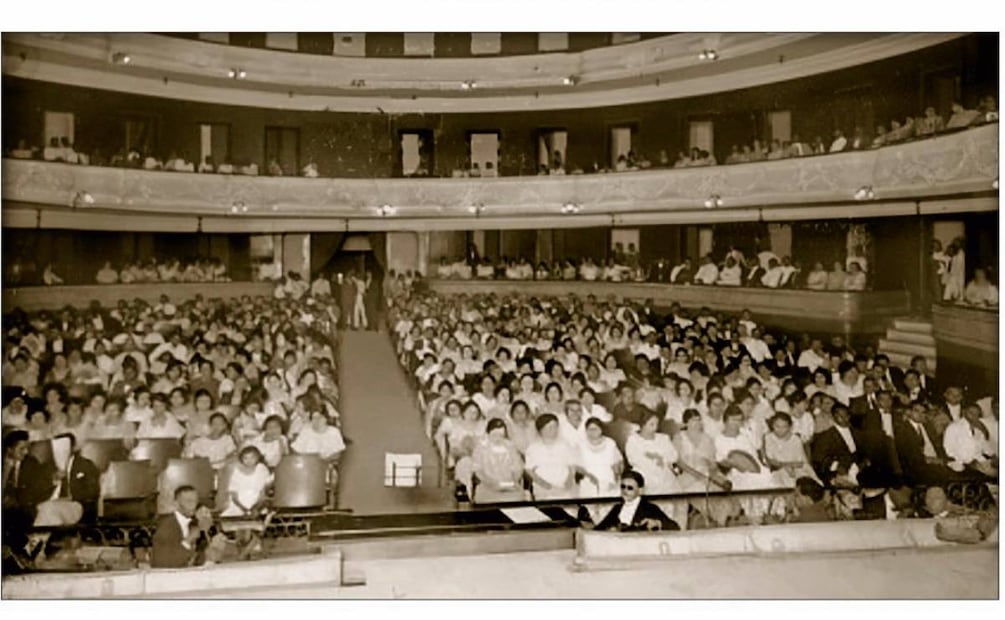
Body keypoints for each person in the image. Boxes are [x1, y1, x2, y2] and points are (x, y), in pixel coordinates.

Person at [151, 485, 217, 568]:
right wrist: (188, 540)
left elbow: (196, 558)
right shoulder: (166, 526)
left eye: (196, 501)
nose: (193, 506)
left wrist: (209, 535)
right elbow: (164, 563)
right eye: (189, 501)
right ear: (176, 504)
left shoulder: (193, 523)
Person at [592, 470, 679, 532]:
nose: (625, 491)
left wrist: (657, 523)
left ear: (640, 490)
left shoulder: (650, 508)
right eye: (623, 487)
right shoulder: (617, 508)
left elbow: (675, 527)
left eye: (630, 488)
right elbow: (599, 529)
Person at [523, 414, 579, 501]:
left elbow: (572, 466)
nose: (554, 430)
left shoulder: (565, 445)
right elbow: (529, 470)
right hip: (544, 489)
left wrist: (568, 482)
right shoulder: (533, 448)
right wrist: (546, 485)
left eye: (555, 426)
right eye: (550, 427)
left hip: (565, 487)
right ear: (541, 429)